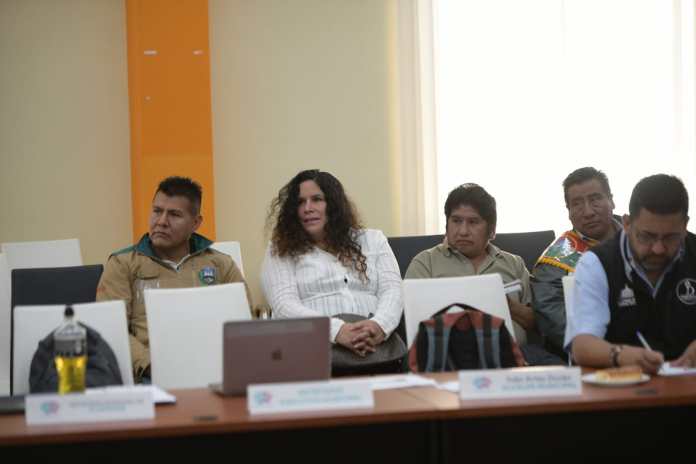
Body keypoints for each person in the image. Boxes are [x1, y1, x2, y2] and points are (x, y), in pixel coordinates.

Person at [96, 176, 250, 382]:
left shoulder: (220, 264)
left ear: (196, 223)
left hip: (214, 370)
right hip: (150, 375)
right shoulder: (123, 263)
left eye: (174, 214)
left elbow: (244, 323)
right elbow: (111, 328)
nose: (161, 221)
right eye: (157, 211)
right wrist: (152, 365)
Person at [261, 169, 403, 358]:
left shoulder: (373, 240)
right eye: (300, 202)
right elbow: (284, 305)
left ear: (334, 205)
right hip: (312, 350)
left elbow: (393, 290)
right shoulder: (280, 249)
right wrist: (336, 331)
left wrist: (379, 325)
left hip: (376, 348)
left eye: (317, 199)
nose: (307, 208)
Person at [568, 174, 696, 373]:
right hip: (623, 382)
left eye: (670, 238)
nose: (658, 249)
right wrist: (618, 354)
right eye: (647, 236)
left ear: (685, 225)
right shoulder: (596, 263)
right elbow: (582, 346)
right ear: (627, 223)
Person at [405, 183, 534, 342]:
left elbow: (536, 323)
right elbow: (414, 325)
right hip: (447, 354)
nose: (463, 231)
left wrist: (504, 303)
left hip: (513, 354)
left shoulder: (514, 264)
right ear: (446, 225)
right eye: (456, 221)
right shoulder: (425, 263)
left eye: (473, 222)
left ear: (492, 230)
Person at [532, 167, 621, 358]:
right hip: (590, 355)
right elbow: (554, 319)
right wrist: (609, 349)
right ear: (569, 211)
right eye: (577, 204)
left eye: (595, 199)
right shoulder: (554, 261)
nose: (588, 212)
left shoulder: (644, 235)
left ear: (611, 200)